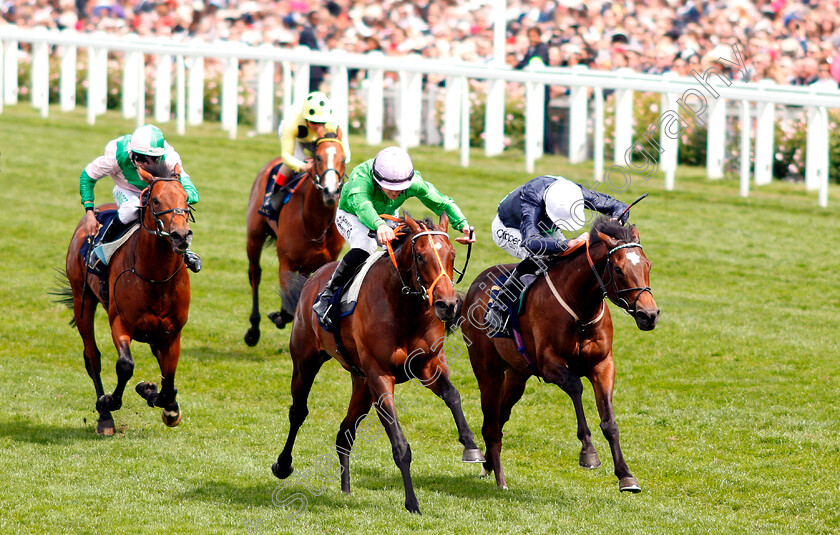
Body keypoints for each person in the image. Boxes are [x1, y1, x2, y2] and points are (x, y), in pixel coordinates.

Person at [313, 146, 475, 327]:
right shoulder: (361, 180)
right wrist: (379, 225)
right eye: (390, 188)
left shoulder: (415, 182)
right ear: (377, 179)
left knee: (407, 251)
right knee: (365, 247)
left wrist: (463, 224)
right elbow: (363, 206)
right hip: (352, 215)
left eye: (401, 188)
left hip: (386, 216)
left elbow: (443, 203)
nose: (396, 192)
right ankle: (326, 298)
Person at [485, 175, 629, 332]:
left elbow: (619, 206)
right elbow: (531, 243)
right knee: (540, 257)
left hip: (544, 226)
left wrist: (617, 219)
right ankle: (499, 304)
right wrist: (567, 243)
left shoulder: (574, 192)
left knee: (569, 258)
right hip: (510, 227)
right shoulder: (531, 199)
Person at [79, 124, 202, 272]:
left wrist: (177, 200)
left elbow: (192, 192)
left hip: (157, 193)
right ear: (132, 153)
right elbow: (87, 177)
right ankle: (102, 245)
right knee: (131, 210)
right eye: (141, 158)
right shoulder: (117, 154)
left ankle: (185, 249)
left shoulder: (170, 158)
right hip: (126, 190)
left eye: (154, 159)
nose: (147, 164)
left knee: (171, 211)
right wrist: (90, 213)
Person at [261, 91, 351, 213]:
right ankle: (274, 196)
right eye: (313, 122)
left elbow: (346, 154)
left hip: (319, 139)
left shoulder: (333, 124)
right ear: (305, 118)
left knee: (331, 162)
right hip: (297, 137)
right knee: (297, 159)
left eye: (321, 123)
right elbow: (286, 156)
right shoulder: (292, 123)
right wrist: (303, 165)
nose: (317, 126)